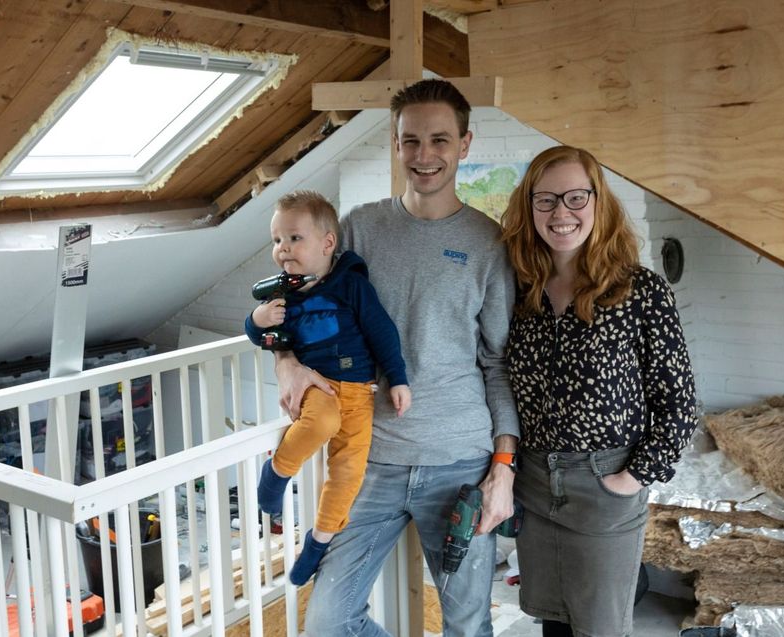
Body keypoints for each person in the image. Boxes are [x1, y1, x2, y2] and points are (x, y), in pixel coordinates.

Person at [275, 79, 519, 636]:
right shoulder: (359, 227)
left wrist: (502, 469)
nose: (424, 156)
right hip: (369, 460)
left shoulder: (488, 243)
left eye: (439, 140)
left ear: (464, 144)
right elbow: (292, 306)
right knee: (328, 625)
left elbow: (498, 364)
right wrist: (286, 362)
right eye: (410, 141)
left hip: (460, 462)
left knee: (467, 627)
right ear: (395, 142)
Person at [500, 145, 699, 637]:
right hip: (534, 482)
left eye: (575, 197)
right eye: (545, 200)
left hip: (605, 480)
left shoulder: (640, 291)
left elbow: (678, 401)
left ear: (598, 202)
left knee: (600, 629)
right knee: (553, 622)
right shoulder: (517, 289)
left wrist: (632, 478)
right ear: (529, 208)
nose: (560, 213)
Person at [245, 190, 412, 585]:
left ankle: (318, 542)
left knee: (348, 472)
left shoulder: (351, 286)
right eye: (276, 240)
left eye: (294, 238)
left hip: (361, 393)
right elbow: (259, 335)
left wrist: (398, 378)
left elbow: (382, 333)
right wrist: (258, 317)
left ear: (328, 243)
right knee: (319, 424)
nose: (283, 248)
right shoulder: (280, 295)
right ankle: (277, 472)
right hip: (318, 385)